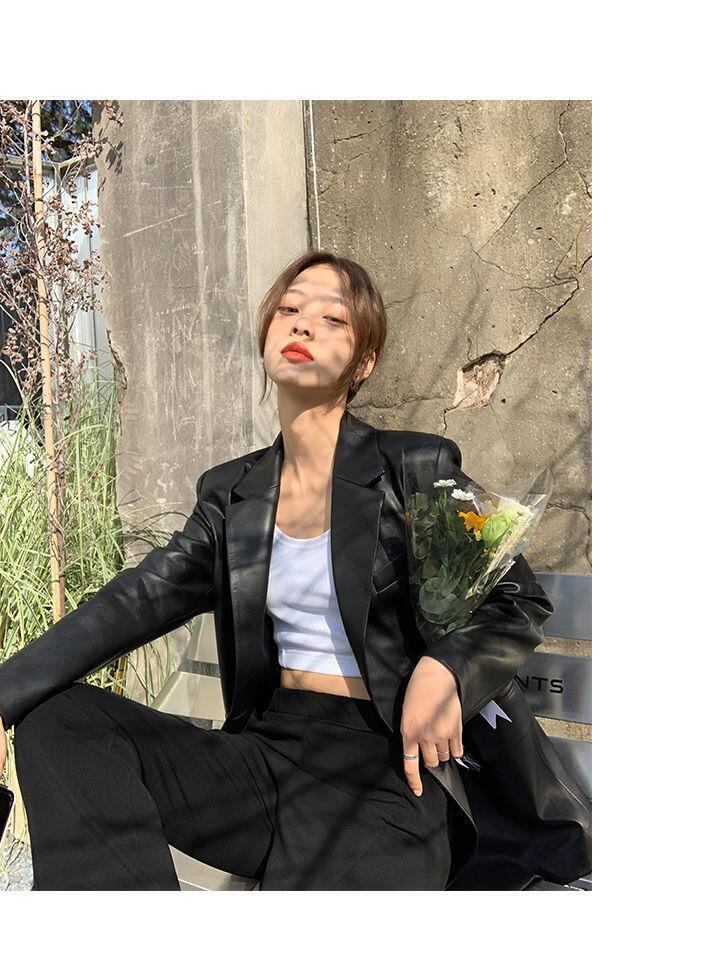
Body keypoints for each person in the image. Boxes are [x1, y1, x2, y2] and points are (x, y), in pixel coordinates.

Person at [0, 250, 586, 890]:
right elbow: (139, 598)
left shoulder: (415, 469)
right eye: (289, 308)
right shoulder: (233, 494)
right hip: (264, 760)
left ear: (363, 362)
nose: (303, 324)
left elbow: (515, 598)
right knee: (61, 719)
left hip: (388, 775)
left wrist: (445, 669)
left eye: (333, 318)